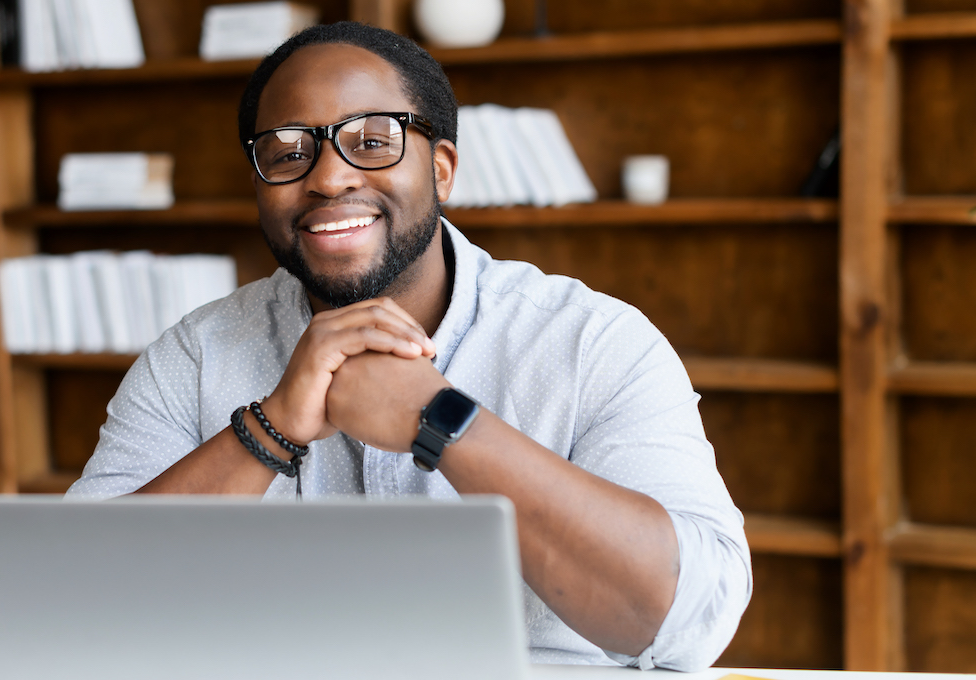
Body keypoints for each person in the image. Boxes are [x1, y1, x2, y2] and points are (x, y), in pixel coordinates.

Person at [67, 22, 750, 672]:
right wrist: (271, 428)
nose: (329, 179)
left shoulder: (592, 342)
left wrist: (444, 420)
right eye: (288, 152)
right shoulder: (196, 355)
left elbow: (687, 626)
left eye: (371, 142)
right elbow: (70, 605)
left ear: (443, 169)